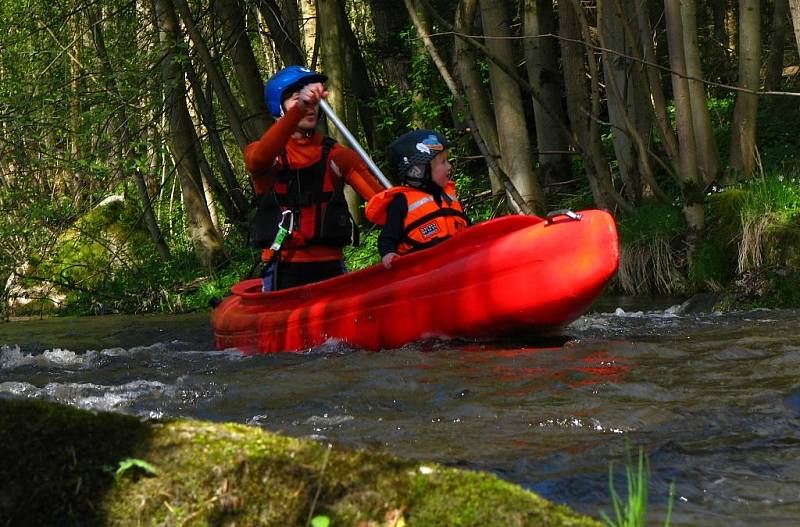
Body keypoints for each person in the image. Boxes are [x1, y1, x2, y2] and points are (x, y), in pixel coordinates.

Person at [244, 66, 384, 291]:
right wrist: (298, 110)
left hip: (331, 265)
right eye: (298, 99)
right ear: (278, 107)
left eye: (312, 101)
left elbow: (382, 202)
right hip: (283, 265)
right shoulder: (264, 154)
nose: (310, 107)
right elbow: (259, 158)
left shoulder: (338, 156)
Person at [365, 129, 470, 269]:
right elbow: (387, 238)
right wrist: (388, 254)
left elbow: (469, 227)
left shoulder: (449, 196)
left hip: (457, 264)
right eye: (443, 162)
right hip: (423, 271)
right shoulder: (401, 202)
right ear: (417, 170)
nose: (449, 166)